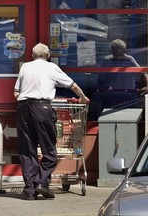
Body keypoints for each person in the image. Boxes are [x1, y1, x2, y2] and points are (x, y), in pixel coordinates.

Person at [14, 42, 89, 200]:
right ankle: (42, 182)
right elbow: (73, 86)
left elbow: (16, 93)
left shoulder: (25, 67)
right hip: (42, 109)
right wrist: (83, 98)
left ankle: (29, 190)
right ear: (48, 56)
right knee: (49, 150)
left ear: (32, 56)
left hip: (23, 109)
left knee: (27, 151)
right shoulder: (52, 68)